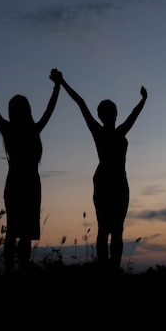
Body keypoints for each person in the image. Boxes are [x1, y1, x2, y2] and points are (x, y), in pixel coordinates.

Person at [50, 69, 147, 271]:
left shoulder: (111, 131)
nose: (111, 115)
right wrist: (63, 81)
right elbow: (81, 103)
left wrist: (143, 100)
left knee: (111, 229)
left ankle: (110, 269)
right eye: (110, 113)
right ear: (109, 115)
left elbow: (82, 103)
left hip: (116, 182)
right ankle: (107, 269)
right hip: (110, 182)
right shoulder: (111, 131)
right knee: (109, 229)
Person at [0, 63, 61, 272]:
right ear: (27, 110)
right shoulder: (32, 130)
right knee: (24, 233)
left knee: (14, 231)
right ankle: (20, 270)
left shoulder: (9, 130)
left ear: (12, 112)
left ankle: (11, 270)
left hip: (16, 184)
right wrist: (57, 87)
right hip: (29, 184)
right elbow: (49, 110)